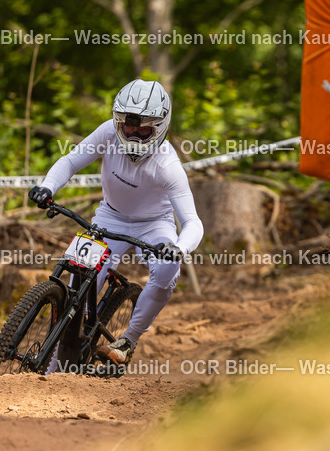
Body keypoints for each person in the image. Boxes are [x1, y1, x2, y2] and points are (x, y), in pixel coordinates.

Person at [28, 79, 204, 365]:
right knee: (79, 283)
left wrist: (179, 248)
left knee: (168, 269)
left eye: (144, 129)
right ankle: (57, 361)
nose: (134, 135)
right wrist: (48, 187)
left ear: (160, 128)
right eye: (129, 127)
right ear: (118, 122)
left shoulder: (168, 165)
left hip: (153, 225)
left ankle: (129, 339)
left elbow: (193, 222)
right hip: (110, 217)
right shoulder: (108, 132)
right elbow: (71, 161)